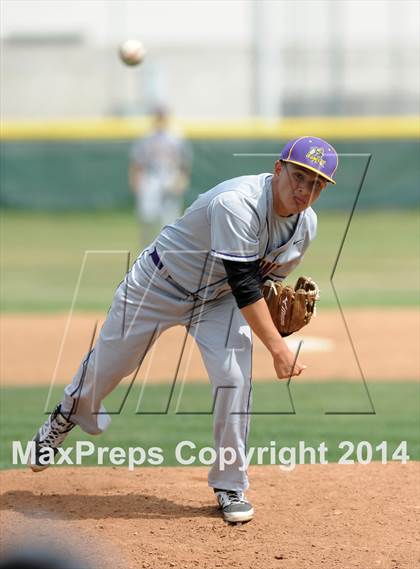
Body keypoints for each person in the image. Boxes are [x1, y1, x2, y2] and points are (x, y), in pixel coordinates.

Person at [29, 136, 338, 524]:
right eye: (299, 177)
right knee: (109, 368)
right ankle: (65, 415)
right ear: (278, 169)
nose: (304, 190)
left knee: (233, 379)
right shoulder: (237, 204)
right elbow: (245, 286)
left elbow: (262, 283)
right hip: (158, 283)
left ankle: (230, 483)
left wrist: (274, 303)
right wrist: (277, 347)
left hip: (217, 300)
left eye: (316, 184)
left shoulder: (305, 227)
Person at [129, 106, 192, 245]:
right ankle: (145, 247)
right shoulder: (147, 136)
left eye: (163, 115)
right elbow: (138, 162)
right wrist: (135, 181)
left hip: (170, 175)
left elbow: (184, 162)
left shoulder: (176, 136)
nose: (160, 118)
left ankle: (168, 249)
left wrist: (182, 179)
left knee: (170, 217)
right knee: (147, 216)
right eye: (158, 115)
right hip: (152, 176)